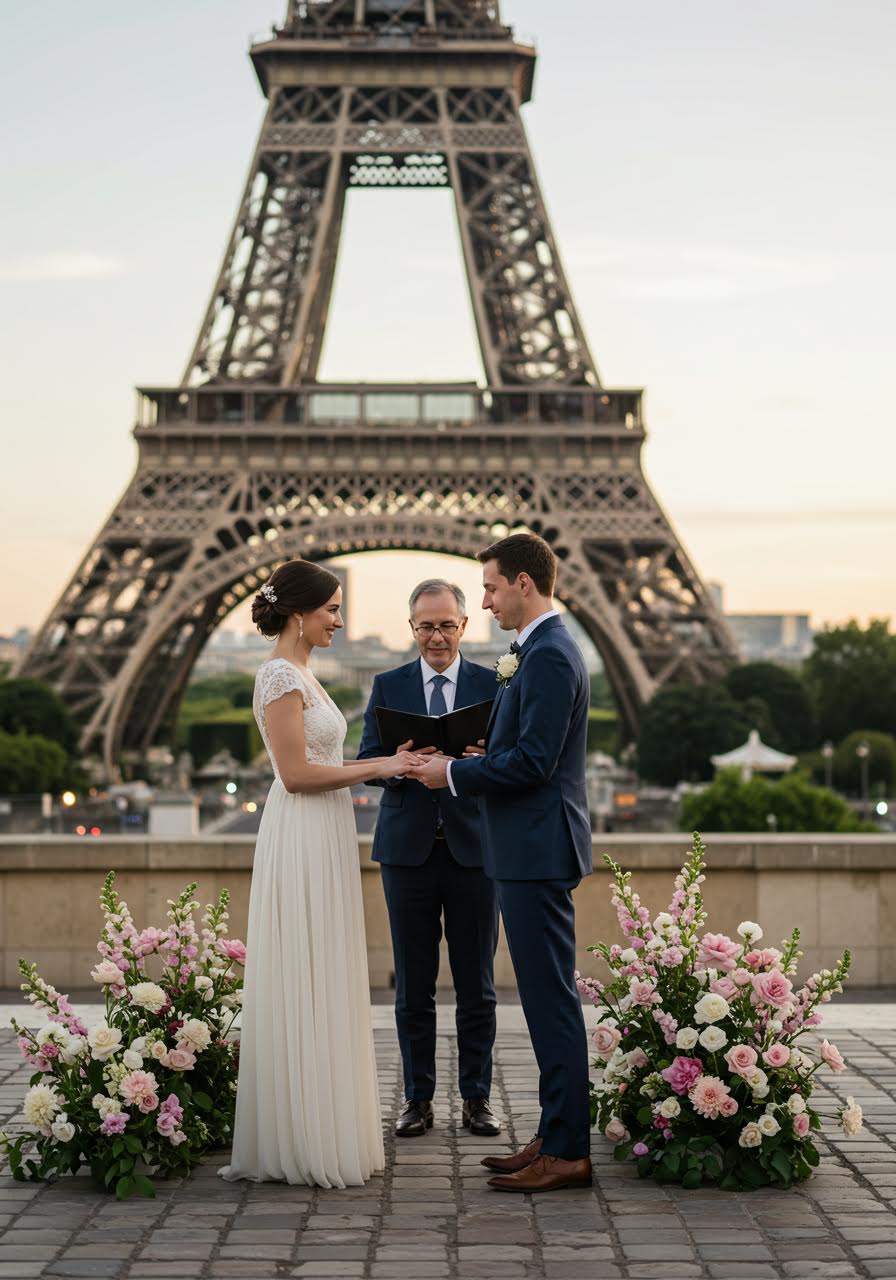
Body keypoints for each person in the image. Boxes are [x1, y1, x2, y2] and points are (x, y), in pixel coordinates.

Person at [219, 559, 420, 1188]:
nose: (340, 618)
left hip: (323, 830)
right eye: (332, 609)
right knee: (307, 965)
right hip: (304, 827)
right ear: (300, 613)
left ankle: (311, 1123)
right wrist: (381, 767)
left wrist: (390, 761)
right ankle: (304, 1136)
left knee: (319, 968)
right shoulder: (281, 673)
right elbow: (296, 775)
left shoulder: (302, 671)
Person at [411, 534, 593, 1193]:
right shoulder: (538, 650)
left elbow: (534, 765)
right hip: (527, 846)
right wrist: (487, 749)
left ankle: (569, 1148)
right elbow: (525, 750)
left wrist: (454, 772)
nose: (482, 602)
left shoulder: (545, 656)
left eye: (489, 588)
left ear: (522, 581)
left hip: (535, 849)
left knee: (550, 1001)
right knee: (546, 1000)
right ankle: (556, 1132)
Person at [358, 580, 501, 1139]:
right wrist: (399, 760)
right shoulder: (387, 685)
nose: (435, 635)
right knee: (412, 985)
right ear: (411, 627)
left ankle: (477, 1098)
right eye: (425, 626)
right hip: (408, 850)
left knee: (478, 985)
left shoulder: (494, 685)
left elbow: (512, 760)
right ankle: (417, 1098)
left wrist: (485, 758)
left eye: (446, 625)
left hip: (473, 849)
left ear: (464, 626)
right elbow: (368, 758)